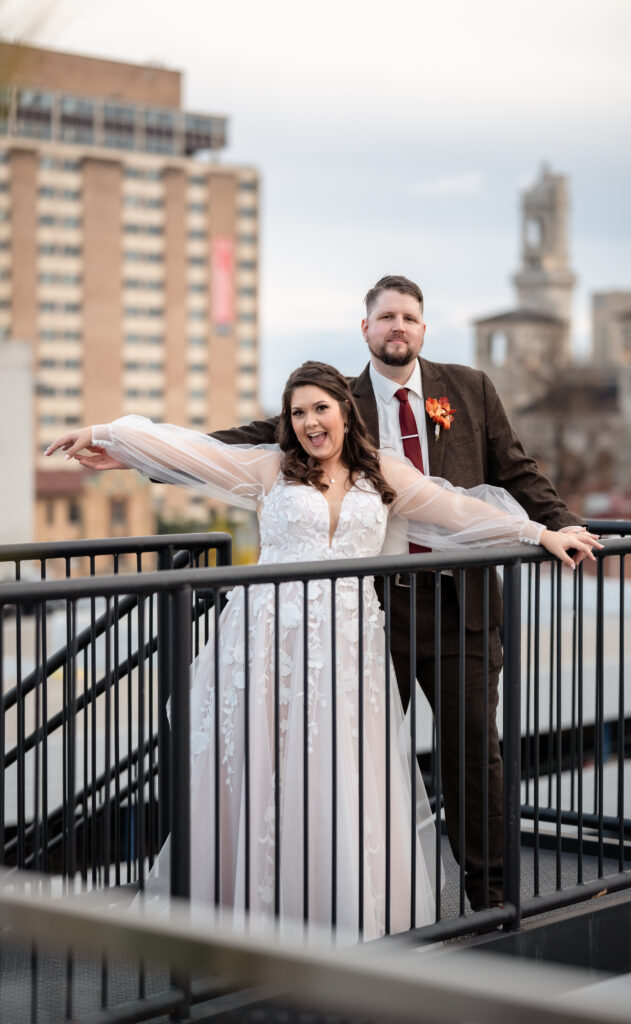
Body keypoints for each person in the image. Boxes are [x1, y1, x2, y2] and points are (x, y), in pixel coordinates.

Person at [46, 362, 599, 938]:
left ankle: (339, 915)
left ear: (344, 411)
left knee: (344, 772)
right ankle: (252, 916)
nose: (311, 423)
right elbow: (191, 452)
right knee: (266, 771)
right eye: (298, 412)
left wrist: (540, 534)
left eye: (320, 409)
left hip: (350, 645)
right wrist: (112, 437)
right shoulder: (270, 468)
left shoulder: (382, 472)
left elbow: (455, 510)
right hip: (269, 640)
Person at [208, 277, 596, 912]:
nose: (398, 327)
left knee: (475, 756)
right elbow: (251, 439)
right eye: (385, 317)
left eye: (409, 318)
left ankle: (493, 901)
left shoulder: (470, 390)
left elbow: (516, 470)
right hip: (372, 612)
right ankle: (348, 899)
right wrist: (144, 452)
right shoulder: (338, 401)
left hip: (461, 607)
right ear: (366, 329)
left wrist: (556, 526)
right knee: (356, 756)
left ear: (423, 328)